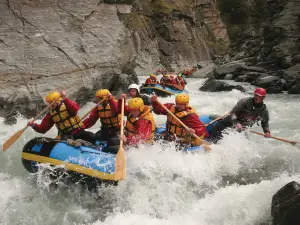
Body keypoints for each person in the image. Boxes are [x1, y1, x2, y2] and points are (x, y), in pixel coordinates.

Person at [27, 91, 95, 143]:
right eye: (48, 103)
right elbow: (43, 129)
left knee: (91, 136)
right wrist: (33, 125)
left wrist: (65, 98)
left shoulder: (68, 105)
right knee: (62, 144)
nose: (50, 105)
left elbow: (74, 110)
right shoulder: (51, 114)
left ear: (57, 101)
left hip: (78, 132)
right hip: (65, 135)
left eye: (51, 102)